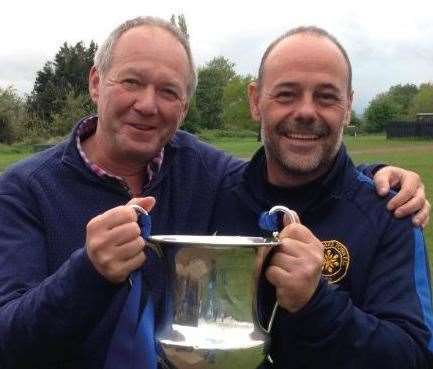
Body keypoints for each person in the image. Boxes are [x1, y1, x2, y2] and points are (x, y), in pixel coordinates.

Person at [0, 17, 429, 369]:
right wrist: (87, 275)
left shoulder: (209, 175)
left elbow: (293, 174)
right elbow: (9, 342)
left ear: (184, 105)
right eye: (131, 82)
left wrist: (374, 180)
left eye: (169, 90)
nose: (148, 104)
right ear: (96, 82)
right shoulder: (24, 191)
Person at [212, 26, 433, 368]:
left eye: (326, 97)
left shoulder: (390, 212)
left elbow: (414, 355)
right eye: (286, 94)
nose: (306, 111)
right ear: (256, 101)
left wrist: (317, 304)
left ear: (348, 106)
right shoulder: (214, 193)